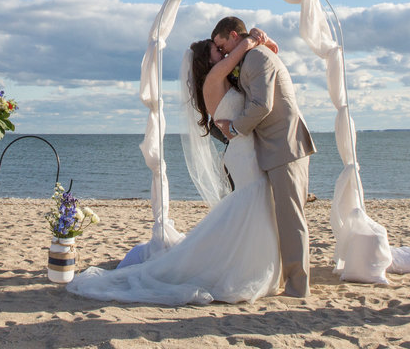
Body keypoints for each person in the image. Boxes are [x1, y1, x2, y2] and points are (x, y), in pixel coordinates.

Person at [67, 31, 281, 304]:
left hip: (245, 151)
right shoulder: (215, 78)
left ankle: (254, 262)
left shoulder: (224, 79)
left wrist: (267, 42)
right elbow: (242, 53)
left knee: (251, 206)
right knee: (253, 200)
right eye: (217, 50)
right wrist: (251, 40)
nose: (223, 53)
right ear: (208, 60)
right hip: (243, 154)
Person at [212, 16, 316, 298]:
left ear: (234, 36)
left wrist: (233, 128)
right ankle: (286, 278)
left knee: (291, 218)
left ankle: (297, 287)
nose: (222, 54)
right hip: (273, 147)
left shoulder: (257, 57)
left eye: (222, 46)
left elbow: (262, 105)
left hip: (285, 145)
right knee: (281, 217)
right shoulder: (252, 55)